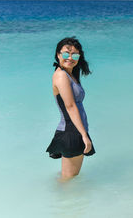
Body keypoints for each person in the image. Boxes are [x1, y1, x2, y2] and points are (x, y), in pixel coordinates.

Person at [46, 36, 96, 181]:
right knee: (69, 179)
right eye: (66, 54)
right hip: (71, 131)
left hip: (75, 129)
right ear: (58, 54)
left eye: (74, 55)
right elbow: (70, 105)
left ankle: (63, 200)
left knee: (68, 177)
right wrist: (84, 135)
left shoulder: (71, 74)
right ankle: (65, 202)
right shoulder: (61, 75)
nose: (70, 58)